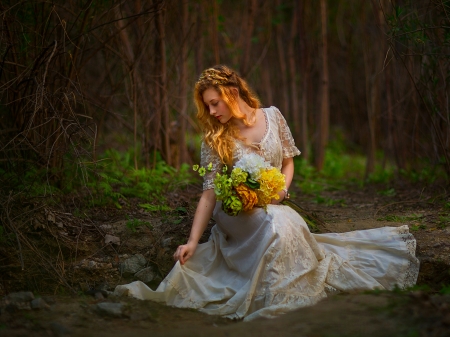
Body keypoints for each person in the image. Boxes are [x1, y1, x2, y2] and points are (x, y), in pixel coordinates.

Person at [115, 65, 419, 321]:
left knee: (285, 222)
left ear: (231, 93)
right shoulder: (214, 138)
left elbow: (288, 162)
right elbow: (209, 193)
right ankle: (274, 297)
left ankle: (286, 292)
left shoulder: (273, 117)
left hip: (274, 202)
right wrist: (193, 241)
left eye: (214, 102)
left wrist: (282, 191)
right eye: (207, 105)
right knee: (274, 223)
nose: (211, 111)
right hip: (235, 212)